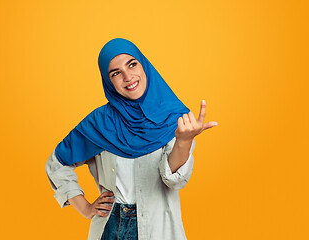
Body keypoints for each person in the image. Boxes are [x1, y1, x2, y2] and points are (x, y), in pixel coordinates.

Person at [45, 38, 218, 240]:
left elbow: (173, 181)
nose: (128, 77)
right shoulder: (100, 123)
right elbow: (57, 164)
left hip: (158, 228)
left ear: (143, 65)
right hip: (111, 227)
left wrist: (183, 141)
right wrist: (84, 207)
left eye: (132, 64)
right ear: (108, 81)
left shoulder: (174, 118)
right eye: (116, 73)